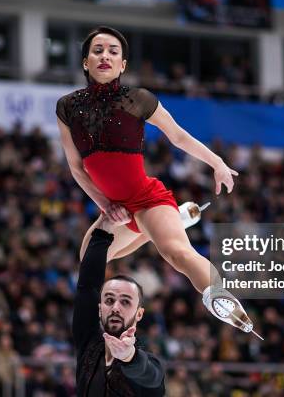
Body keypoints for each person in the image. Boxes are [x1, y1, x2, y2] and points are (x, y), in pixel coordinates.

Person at [56, 26, 254, 334]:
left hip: (147, 200)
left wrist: (217, 163)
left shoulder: (139, 99)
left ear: (123, 65)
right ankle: (171, 222)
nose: (105, 56)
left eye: (113, 52)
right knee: (89, 260)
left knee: (175, 253)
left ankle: (218, 295)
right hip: (116, 207)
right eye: (97, 51)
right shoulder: (67, 107)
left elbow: (177, 136)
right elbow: (77, 168)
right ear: (85, 62)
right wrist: (107, 207)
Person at [73, 215, 165, 396]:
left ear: (139, 314)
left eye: (125, 301)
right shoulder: (89, 342)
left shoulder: (150, 364)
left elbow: (150, 375)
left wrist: (129, 357)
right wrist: (105, 228)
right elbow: (88, 287)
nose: (115, 307)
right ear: (99, 309)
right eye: (109, 300)